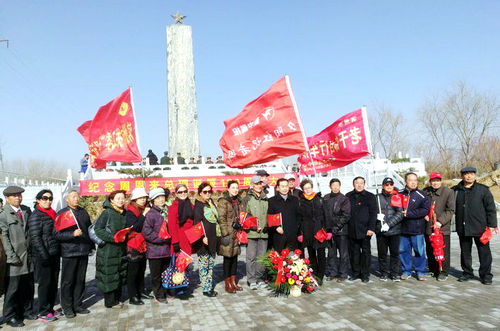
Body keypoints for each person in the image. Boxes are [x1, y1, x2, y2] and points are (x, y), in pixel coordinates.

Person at [453, 166, 498, 285]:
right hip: (463, 227)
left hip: (480, 227)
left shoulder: (483, 190)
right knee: (465, 252)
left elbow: (490, 208)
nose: (469, 176)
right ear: (462, 176)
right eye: (466, 174)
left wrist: (492, 225)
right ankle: (467, 273)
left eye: (471, 174)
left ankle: (486, 275)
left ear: (475, 175)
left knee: (484, 253)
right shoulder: (455, 190)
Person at [55, 190, 93, 318]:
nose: (76, 199)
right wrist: (72, 234)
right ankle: (67, 307)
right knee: (68, 281)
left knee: (80, 280)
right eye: (73, 197)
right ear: (67, 199)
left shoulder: (83, 212)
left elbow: (89, 230)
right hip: (69, 252)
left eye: (77, 196)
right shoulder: (63, 214)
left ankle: (78, 304)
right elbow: (57, 234)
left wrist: (91, 246)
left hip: (83, 250)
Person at [0, 186, 35, 327]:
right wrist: (11, 256)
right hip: (14, 259)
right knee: (13, 289)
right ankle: (10, 316)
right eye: (14, 196)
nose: (17, 198)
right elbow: (4, 238)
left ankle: (26, 311)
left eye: (19, 195)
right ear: (7, 198)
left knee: (27, 286)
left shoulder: (26, 210)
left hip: (28, 256)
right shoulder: (3, 215)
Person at [28, 189, 60, 322]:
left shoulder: (52, 213)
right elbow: (35, 238)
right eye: (45, 198)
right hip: (43, 256)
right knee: (45, 284)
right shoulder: (36, 215)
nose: (48, 201)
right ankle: (43, 311)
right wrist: (44, 255)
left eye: (50, 198)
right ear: (39, 200)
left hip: (54, 253)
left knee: (53, 282)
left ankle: (50, 308)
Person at [94, 190, 128, 309]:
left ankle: (117, 299)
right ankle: (110, 302)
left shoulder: (124, 213)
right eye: (118, 198)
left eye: (123, 198)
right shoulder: (107, 213)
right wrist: (113, 238)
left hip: (120, 250)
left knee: (119, 273)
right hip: (108, 250)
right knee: (109, 274)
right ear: (111, 200)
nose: (121, 200)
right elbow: (98, 229)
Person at [424, 172, 455, 281]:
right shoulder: (426, 192)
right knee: (430, 249)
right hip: (429, 227)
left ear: (441, 181)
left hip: (442, 227)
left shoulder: (448, 192)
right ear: (430, 181)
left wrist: (440, 222)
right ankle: (433, 269)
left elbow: (450, 210)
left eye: (437, 180)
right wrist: (424, 215)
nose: (435, 183)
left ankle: (444, 271)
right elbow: (422, 206)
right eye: (433, 180)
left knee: (443, 250)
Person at [399, 172, 430, 281]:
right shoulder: (399, 194)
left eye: (415, 180)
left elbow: (425, 210)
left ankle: (420, 271)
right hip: (402, 229)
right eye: (410, 180)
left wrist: (409, 214)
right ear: (405, 182)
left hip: (417, 229)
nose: (413, 182)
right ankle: (406, 270)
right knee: (403, 251)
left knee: (419, 251)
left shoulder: (422, 194)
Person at [142, 188, 171, 303]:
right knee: (156, 275)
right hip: (155, 250)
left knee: (166, 272)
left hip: (167, 249)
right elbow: (146, 232)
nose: (161, 199)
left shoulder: (167, 211)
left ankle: (165, 291)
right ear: (153, 200)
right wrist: (161, 239)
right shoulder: (151, 214)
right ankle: (158, 294)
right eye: (157, 198)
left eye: (162, 197)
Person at [346, 177, 376, 283]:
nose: (359, 185)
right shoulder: (348, 196)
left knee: (366, 253)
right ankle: (355, 273)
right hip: (352, 229)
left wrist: (371, 228)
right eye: (357, 183)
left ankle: (365, 274)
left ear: (364, 184)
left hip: (365, 230)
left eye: (361, 183)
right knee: (354, 253)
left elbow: (373, 214)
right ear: (353, 184)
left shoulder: (370, 196)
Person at [242, 176, 269, 290]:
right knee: (251, 257)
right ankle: (251, 279)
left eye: (260, 184)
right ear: (252, 185)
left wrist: (267, 226)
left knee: (261, 257)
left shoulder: (266, 198)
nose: (258, 186)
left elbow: (269, 214)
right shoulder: (247, 198)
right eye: (256, 184)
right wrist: (253, 227)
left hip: (264, 233)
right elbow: (244, 216)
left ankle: (260, 278)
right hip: (252, 233)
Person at [298, 179, 327, 285]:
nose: (308, 190)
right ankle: (313, 274)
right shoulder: (301, 201)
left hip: (319, 230)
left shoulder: (319, 199)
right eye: (305, 188)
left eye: (309, 187)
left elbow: (325, 216)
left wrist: (327, 230)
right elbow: (299, 219)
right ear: (303, 190)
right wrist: (300, 233)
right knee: (311, 254)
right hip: (307, 231)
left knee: (321, 254)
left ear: (312, 187)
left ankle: (320, 276)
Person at [193, 182, 220, 297]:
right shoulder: (199, 205)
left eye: (210, 191)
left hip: (213, 238)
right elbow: (197, 223)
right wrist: (203, 236)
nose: (208, 193)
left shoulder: (210, 203)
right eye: (205, 192)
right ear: (200, 193)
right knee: (204, 264)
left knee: (211, 263)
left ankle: (209, 285)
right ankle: (206, 288)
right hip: (204, 240)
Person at [125, 188, 151, 305]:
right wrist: (144, 215)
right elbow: (135, 227)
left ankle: (141, 291)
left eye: (144, 197)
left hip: (143, 243)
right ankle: (133, 296)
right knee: (133, 272)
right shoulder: (130, 211)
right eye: (140, 198)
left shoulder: (143, 208)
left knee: (141, 269)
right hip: (133, 244)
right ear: (135, 199)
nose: (143, 200)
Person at [216, 180, 243, 293]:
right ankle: (228, 283)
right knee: (227, 258)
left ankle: (233, 281)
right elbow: (221, 218)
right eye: (233, 187)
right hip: (228, 233)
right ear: (228, 189)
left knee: (235, 257)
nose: (235, 190)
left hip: (237, 233)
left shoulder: (238, 200)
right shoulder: (223, 201)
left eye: (237, 187)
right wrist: (225, 233)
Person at [375, 178, 403, 282]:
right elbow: (372, 211)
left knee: (394, 254)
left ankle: (394, 274)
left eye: (391, 184)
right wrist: (376, 217)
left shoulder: (396, 197)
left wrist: (388, 224)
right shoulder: (377, 198)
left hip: (394, 230)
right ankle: (383, 273)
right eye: (387, 184)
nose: (389, 186)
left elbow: (400, 213)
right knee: (382, 254)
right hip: (381, 231)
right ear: (383, 186)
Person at [168, 184, 194, 294]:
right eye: (180, 192)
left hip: (188, 239)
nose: (183, 194)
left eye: (184, 191)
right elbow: (172, 226)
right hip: (179, 240)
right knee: (179, 265)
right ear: (176, 194)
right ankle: (179, 288)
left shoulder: (191, 205)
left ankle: (184, 284)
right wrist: (175, 242)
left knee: (186, 264)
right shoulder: (173, 207)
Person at [323, 178, 351, 282]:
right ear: (330, 186)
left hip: (341, 231)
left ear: (340, 186)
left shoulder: (344, 199)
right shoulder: (325, 198)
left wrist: (336, 227)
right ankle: (333, 272)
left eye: (337, 185)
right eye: (333, 185)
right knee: (331, 253)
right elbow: (323, 214)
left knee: (343, 254)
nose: (335, 187)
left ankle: (343, 274)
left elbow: (346, 215)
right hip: (329, 231)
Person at [267, 178, 301, 252]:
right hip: (278, 235)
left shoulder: (294, 200)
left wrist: (296, 228)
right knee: (279, 259)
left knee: (293, 259)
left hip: (292, 234)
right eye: (282, 186)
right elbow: (270, 217)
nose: (285, 188)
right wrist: (276, 227)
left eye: (286, 186)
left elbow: (298, 216)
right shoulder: (271, 201)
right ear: (278, 188)